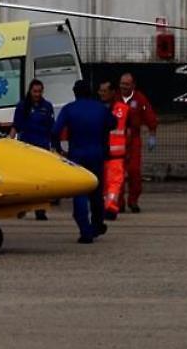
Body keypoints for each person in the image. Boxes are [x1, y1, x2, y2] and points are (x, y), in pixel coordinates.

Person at [52, 80, 114, 244]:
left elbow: (55, 131)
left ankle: (85, 230)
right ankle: (97, 224)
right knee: (96, 192)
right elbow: (112, 123)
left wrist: (59, 149)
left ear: (75, 93)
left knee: (80, 193)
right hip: (97, 154)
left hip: (77, 156)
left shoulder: (69, 109)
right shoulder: (100, 108)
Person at [11, 79, 54, 220]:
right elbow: (16, 126)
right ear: (30, 91)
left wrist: (54, 147)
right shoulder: (22, 106)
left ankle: (40, 210)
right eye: (35, 91)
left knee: (41, 181)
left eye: (39, 91)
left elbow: (52, 128)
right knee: (25, 180)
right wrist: (9, 142)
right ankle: (21, 208)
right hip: (26, 148)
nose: (37, 94)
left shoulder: (47, 107)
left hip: (42, 149)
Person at [118, 73, 158, 213]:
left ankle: (133, 201)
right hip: (117, 139)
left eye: (126, 84)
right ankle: (119, 202)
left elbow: (149, 114)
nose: (123, 86)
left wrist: (152, 133)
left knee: (134, 171)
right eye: (122, 83)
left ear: (133, 85)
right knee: (118, 172)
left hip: (134, 139)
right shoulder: (115, 97)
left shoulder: (140, 99)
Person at [102, 83, 128, 219]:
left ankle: (109, 207)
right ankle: (109, 207)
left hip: (113, 155)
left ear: (113, 92)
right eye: (101, 91)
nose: (102, 93)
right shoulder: (123, 109)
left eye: (105, 91)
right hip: (108, 154)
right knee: (110, 184)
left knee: (112, 184)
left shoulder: (97, 109)